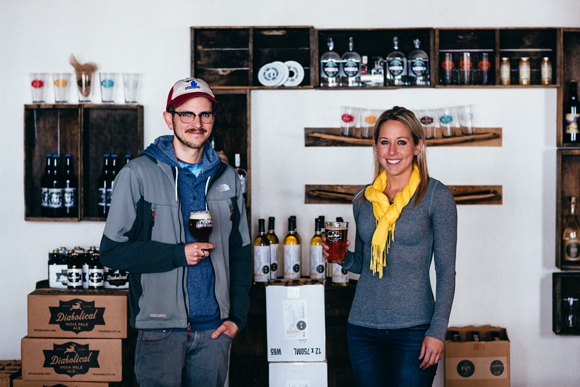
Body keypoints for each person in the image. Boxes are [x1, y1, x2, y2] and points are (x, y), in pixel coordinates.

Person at [99, 77, 252, 387]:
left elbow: (241, 251)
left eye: (205, 114)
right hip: (160, 330)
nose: (197, 123)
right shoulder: (137, 174)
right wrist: (177, 254)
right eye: (187, 114)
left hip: (214, 332)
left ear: (212, 119)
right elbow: (112, 251)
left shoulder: (228, 177)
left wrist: (236, 318)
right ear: (169, 118)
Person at [323, 106, 457, 387]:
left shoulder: (436, 197)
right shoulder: (363, 199)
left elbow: (446, 272)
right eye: (385, 142)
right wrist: (343, 258)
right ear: (375, 147)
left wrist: (437, 331)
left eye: (402, 142)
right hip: (362, 327)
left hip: (415, 329)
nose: (392, 151)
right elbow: (365, 263)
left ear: (418, 146)